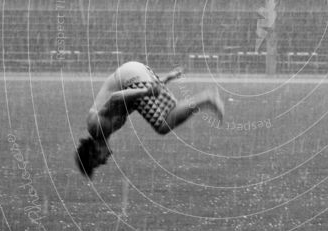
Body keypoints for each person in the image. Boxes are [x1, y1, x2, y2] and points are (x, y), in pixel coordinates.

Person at [75, 61, 224, 178]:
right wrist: (166, 79)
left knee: (163, 125)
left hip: (130, 77)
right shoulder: (106, 130)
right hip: (137, 73)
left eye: (97, 163)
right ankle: (206, 99)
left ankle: (207, 98)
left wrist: (146, 91)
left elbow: (115, 98)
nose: (103, 162)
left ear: (93, 152)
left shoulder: (96, 127)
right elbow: (133, 102)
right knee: (169, 113)